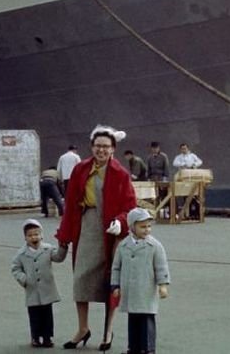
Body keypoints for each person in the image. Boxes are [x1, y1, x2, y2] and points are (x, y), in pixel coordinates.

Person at [56, 125, 137, 351]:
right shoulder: (80, 170)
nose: (101, 150)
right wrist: (65, 234)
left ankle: (108, 331)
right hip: (86, 226)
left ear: (113, 149)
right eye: (97, 146)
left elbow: (130, 206)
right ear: (91, 147)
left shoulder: (120, 174)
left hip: (110, 233)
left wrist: (119, 223)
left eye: (106, 147)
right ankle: (83, 328)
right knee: (80, 279)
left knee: (111, 282)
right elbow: (70, 205)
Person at [111, 207, 170, 354]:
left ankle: (148, 348)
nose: (147, 230)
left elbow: (161, 266)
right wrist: (115, 285)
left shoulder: (155, 246)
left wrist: (163, 285)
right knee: (133, 320)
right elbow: (116, 267)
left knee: (147, 320)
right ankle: (134, 347)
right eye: (143, 227)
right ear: (132, 227)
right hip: (130, 292)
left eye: (149, 226)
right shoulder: (123, 246)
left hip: (146, 290)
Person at [11, 219, 67, 348]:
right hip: (32, 290)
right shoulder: (21, 254)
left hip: (47, 289)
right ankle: (35, 337)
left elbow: (58, 257)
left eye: (36, 234)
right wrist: (24, 279)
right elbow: (15, 268)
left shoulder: (48, 249)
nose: (34, 237)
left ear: (41, 235)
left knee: (48, 315)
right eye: (30, 235)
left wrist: (63, 246)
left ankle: (47, 337)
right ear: (25, 237)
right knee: (34, 316)